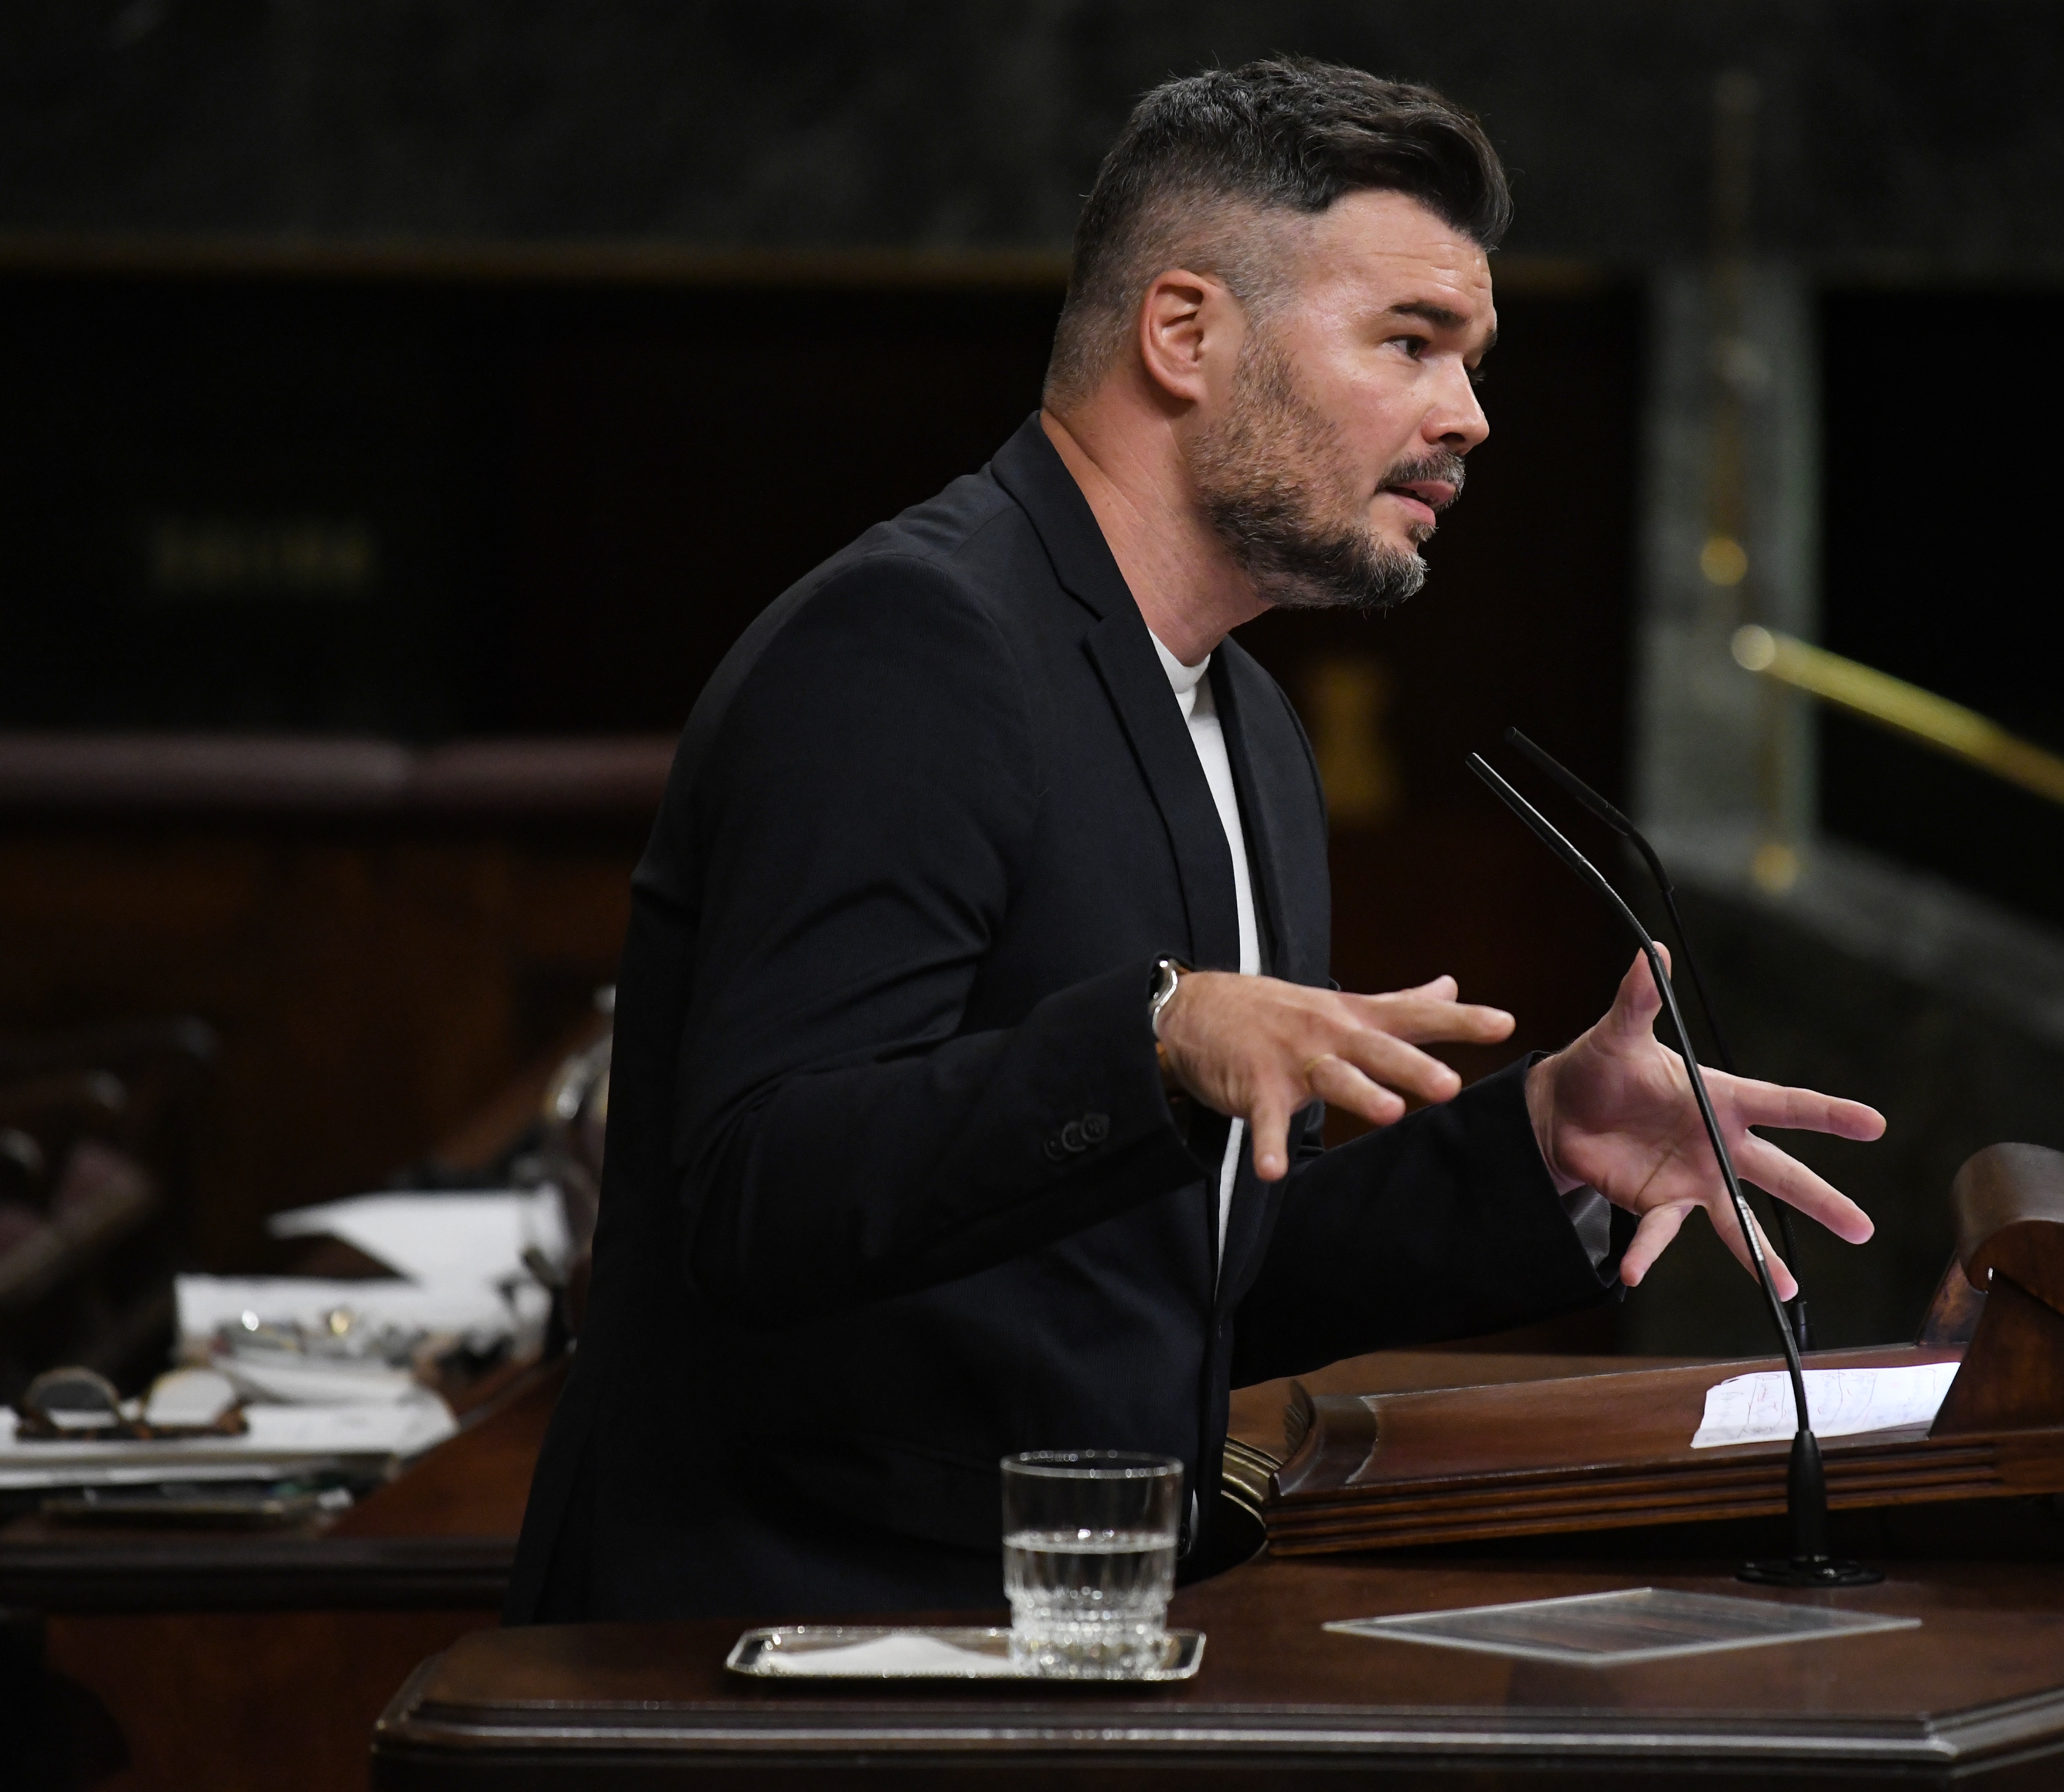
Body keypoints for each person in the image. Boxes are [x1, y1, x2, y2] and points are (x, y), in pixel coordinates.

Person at [507, 57, 1884, 1624]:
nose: (1470, 416)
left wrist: (1534, 1148)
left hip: (1064, 1637)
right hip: (771, 1652)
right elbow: (754, 1194)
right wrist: (1156, 1035)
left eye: (1474, 359)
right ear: (1183, 334)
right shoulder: (913, 641)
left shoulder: (1247, 720)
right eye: (1411, 344)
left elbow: (1165, 1276)